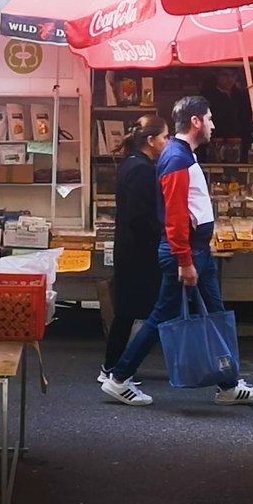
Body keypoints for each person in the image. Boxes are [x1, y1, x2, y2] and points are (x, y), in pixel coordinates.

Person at [100, 96, 253, 407]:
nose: (213, 124)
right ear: (195, 122)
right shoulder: (177, 158)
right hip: (188, 253)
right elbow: (175, 215)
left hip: (196, 251)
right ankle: (119, 377)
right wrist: (185, 260)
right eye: (209, 118)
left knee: (215, 314)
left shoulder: (180, 155)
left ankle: (228, 383)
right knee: (161, 316)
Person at [98, 115, 171, 385]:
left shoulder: (131, 163)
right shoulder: (142, 169)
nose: (168, 141)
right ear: (151, 141)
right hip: (139, 251)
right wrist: (161, 233)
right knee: (135, 311)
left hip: (129, 248)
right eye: (164, 137)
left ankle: (114, 366)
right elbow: (141, 215)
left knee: (128, 312)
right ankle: (114, 368)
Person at [201, 68, 253, 163]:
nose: (230, 79)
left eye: (233, 75)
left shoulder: (241, 95)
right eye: (225, 75)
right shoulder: (207, 96)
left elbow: (246, 118)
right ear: (217, 76)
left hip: (239, 143)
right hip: (215, 143)